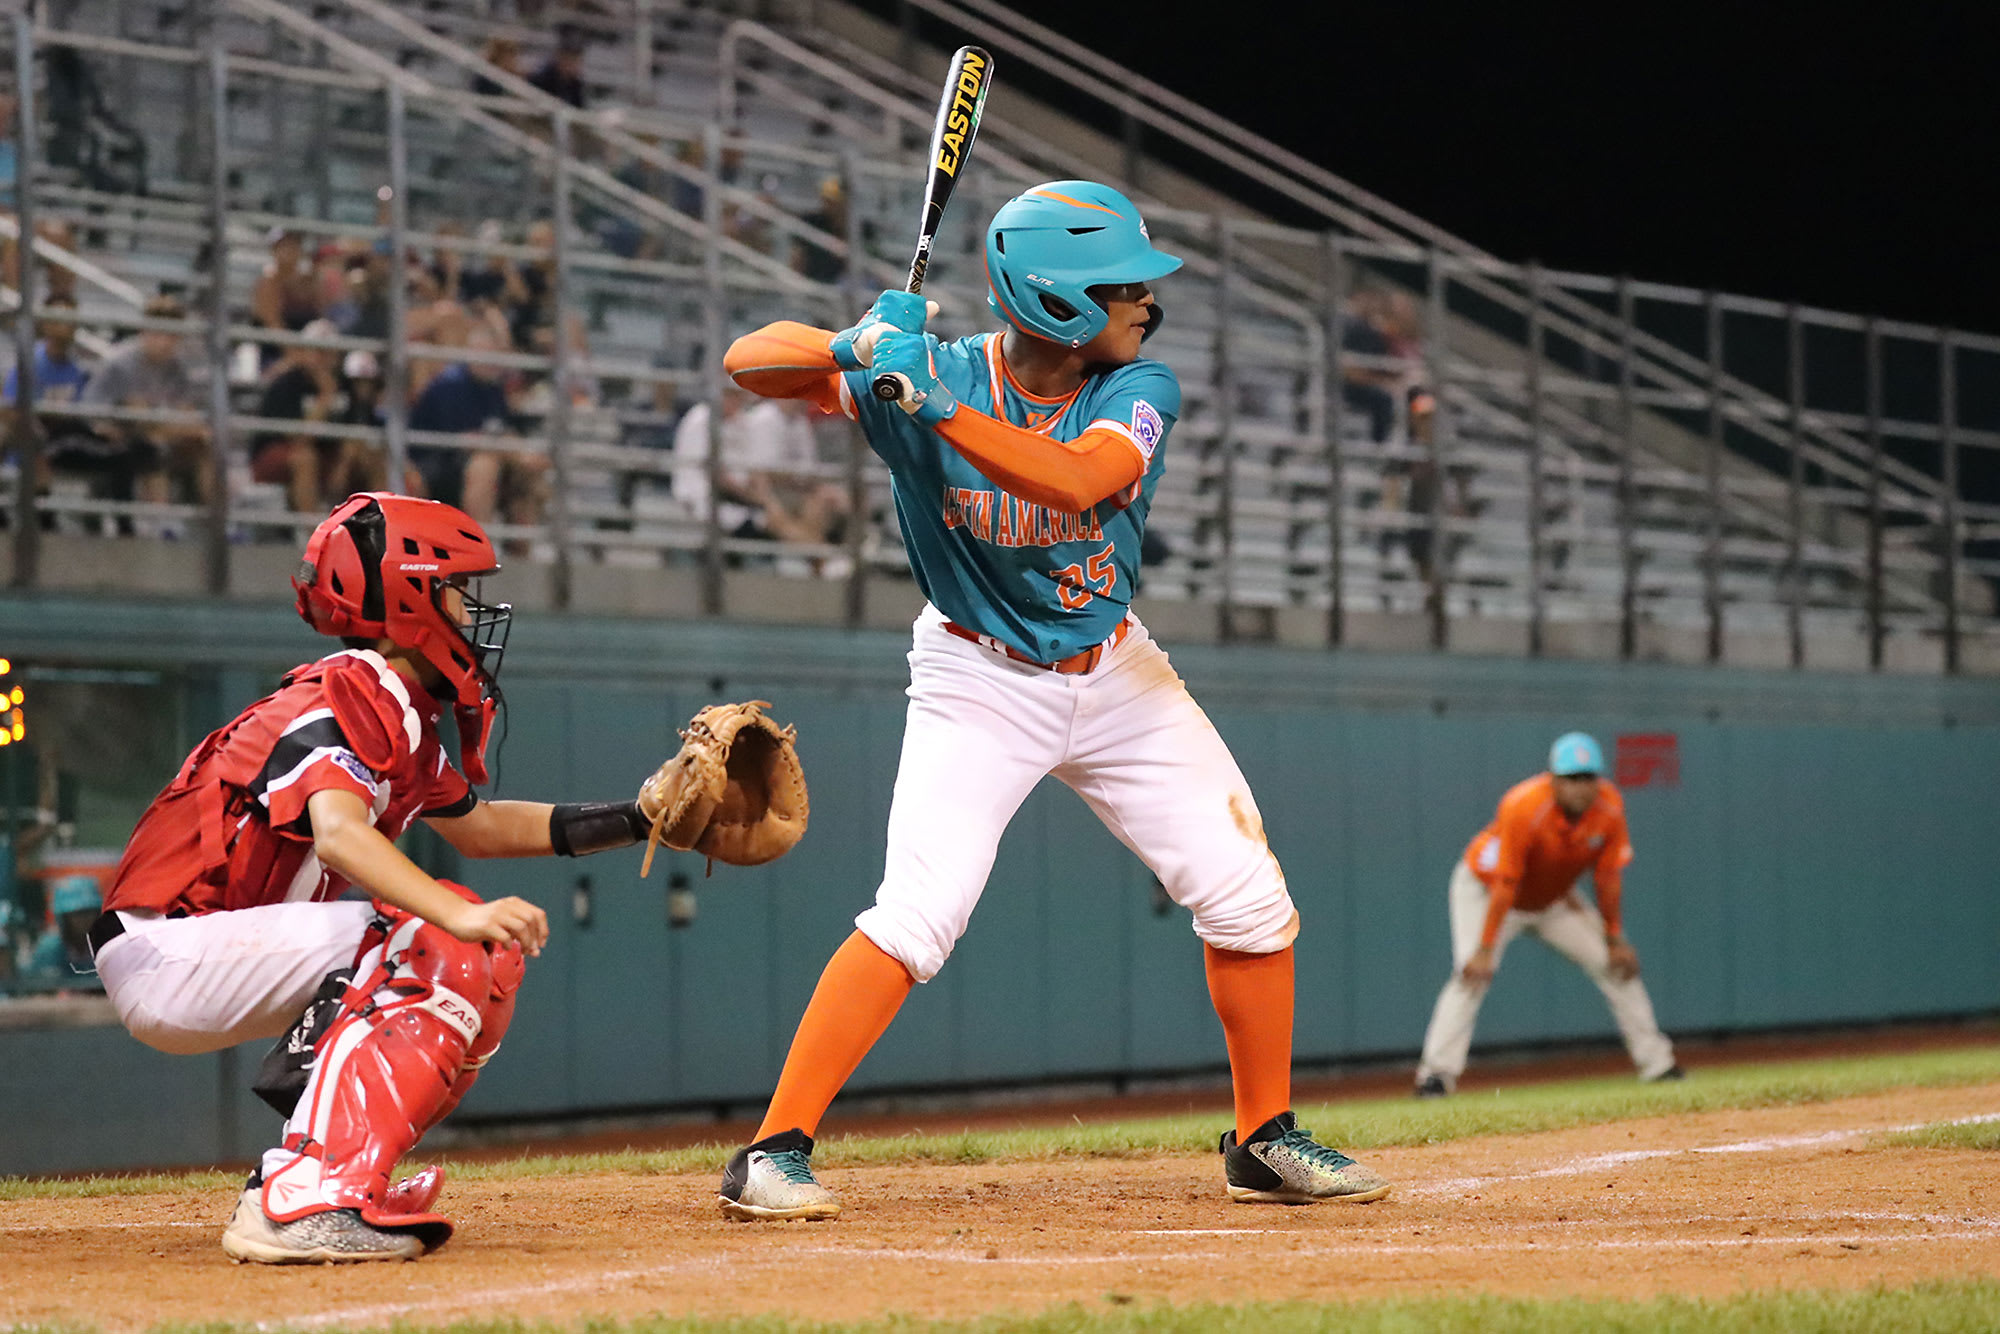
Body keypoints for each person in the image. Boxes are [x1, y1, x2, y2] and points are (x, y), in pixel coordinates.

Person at [714, 180, 1391, 1220]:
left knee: (1248, 896)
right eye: (1124, 288)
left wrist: (927, 399)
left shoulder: (1134, 386)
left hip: (1115, 669)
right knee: (917, 914)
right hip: (975, 675)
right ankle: (770, 1150)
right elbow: (747, 363)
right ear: (1058, 299)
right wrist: (850, 345)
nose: (1144, 306)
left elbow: (1076, 480)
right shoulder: (925, 371)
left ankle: (1260, 1140)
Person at [89, 492, 678, 1263]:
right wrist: (450, 913)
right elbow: (338, 835)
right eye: (458, 593)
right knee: (442, 942)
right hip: (168, 945)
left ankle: (326, 1171)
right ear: (411, 594)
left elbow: (481, 825)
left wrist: (640, 816)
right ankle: (303, 1196)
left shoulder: (385, 700)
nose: (473, 614)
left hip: (193, 943)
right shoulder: (358, 686)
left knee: (480, 960)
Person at [1413, 732, 1681, 1097]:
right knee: (1471, 974)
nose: (1582, 787)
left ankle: (1659, 1066)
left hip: (1552, 898)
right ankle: (1435, 1076)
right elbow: (1507, 881)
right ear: (1552, 778)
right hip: (1486, 891)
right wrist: (1485, 948)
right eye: (1572, 778)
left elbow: (1607, 878)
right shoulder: (1523, 805)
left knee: (1616, 964)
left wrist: (1615, 937)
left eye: (1589, 777)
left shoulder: (1609, 807)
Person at [76, 293, 209, 513]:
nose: (165, 342)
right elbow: (133, 413)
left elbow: (191, 417)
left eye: (172, 335)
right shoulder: (122, 363)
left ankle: (219, 521)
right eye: (158, 334)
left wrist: (177, 428)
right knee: (149, 444)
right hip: (106, 435)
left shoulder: (177, 369)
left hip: (158, 433)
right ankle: (160, 520)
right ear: (144, 332)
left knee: (202, 445)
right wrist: (165, 425)